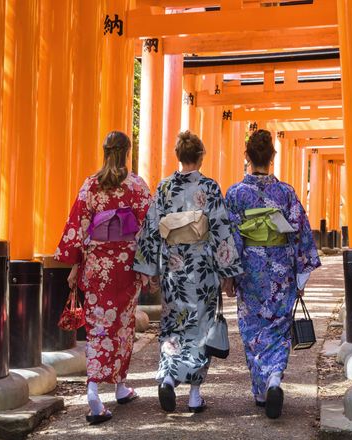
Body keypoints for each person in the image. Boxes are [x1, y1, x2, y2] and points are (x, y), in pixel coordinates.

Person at [134, 130, 243, 414]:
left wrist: (151, 269)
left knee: (173, 325)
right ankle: (194, 395)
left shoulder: (164, 188)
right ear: (200, 156)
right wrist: (228, 271)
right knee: (200, 329)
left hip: (173, 269)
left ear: (178, 157)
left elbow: (152, 230)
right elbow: (220, 230)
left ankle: (169, 376)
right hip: (203, 270)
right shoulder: (209, 188)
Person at [54, 131, 152, 425]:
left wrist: (76, 263)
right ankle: (115, 387)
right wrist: (149, 266)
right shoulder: (135, 185)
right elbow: (148, 226)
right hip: (125, 265)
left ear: (105, 151)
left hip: (97, 266)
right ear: (127, 152)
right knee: (123, 324)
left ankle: (100, 389)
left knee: (98, 327)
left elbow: (79, 226)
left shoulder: (91, 185)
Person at [225, 129, 321, 419]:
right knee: (279, 328)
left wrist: (229, 274)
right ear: (272, 157)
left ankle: (261, 389)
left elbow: (229, 237)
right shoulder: (286, 192)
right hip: (281, 270)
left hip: (250, 269)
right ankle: (275, 378)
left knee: (253, 328)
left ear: (247, 156)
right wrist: (301, 276)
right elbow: (301, 233)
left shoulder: (236, 193)